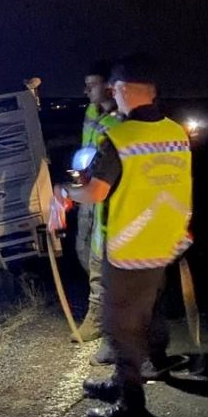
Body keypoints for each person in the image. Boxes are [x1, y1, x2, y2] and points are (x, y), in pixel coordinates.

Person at [54, 55, 194, 417]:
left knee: (120, 325)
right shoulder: (176, 133)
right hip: (163, 244)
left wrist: (63, 192)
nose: (112, 95)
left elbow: (96, 193)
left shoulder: (119, 136)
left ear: (127, 90)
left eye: (115, 88)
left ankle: (131, 403)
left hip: (129, 248)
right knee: (143, 317)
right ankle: (120, 382)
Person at [75, 60, 122, 348]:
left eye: (91, 84)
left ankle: (100, 317)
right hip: (88, 191)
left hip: (109, 195)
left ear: (108, 86)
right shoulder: (92, 111)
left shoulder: (122, 120)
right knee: (85, 251)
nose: (86, 91)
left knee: (101, 257)